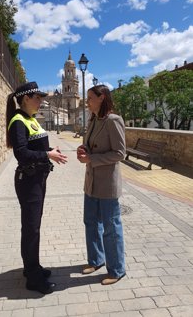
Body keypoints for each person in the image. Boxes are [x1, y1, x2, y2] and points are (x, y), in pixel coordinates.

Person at [6, 81, 68, 294]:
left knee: (34, 226)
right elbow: (21, 153)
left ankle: (33, 267)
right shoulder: (18, 121)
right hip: (29, 181)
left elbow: (37, 146)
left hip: (38, 179)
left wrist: (51, 151)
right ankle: (33, 278)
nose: (41, 101)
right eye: (37, 98)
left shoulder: (30, 119)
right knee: (31, 228)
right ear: (25, 99)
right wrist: (46, 155)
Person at [77, 84, 126, 285]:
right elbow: (91, 146)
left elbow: (120, 153)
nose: (86, 101)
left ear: (102, 97)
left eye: (90, 98)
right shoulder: (93, 120)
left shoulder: (113, 121)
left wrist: (92, 159)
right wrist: (83, 148)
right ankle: (96, 260)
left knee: (111, 227)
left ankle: (116, 270)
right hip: (91, 182)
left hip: (107, 184)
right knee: (90, 222)